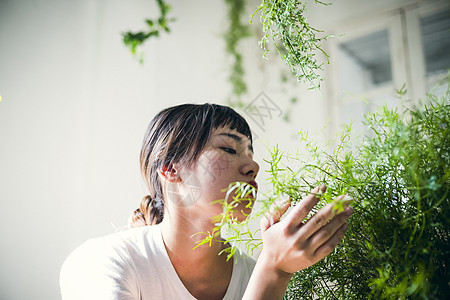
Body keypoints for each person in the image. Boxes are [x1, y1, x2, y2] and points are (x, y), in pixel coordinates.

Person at [60, 103, 353, 300]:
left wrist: (273, 270)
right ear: (171, 169)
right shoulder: (103, 263)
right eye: (228, 148)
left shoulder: (251, 275)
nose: (253, 166)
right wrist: (274, 270)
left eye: (251, 153)